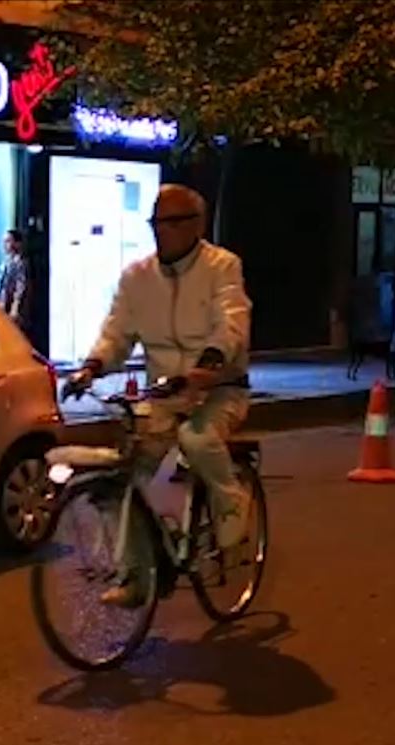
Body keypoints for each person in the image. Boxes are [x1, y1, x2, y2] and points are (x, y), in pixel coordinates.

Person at [63, 184, 253, 606]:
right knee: (124, 473)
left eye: (169, 222)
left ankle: (231, 502)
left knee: (197, 438)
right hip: (165, 394)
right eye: (155, 222)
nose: (159, 231)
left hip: (218, 389)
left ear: (196, 225)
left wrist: (209, 364)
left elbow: (231, 321)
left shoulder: (222, 267)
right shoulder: (137, 278)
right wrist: (90, 367)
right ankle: (139, 574)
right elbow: (117, 334)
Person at [0, 229, 31, 329]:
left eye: (8, 241)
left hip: (13, 309)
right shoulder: (7, 262)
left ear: (17, 243)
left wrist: (15, 309)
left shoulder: (20, 263)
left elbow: (20, 288)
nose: (5, 245)